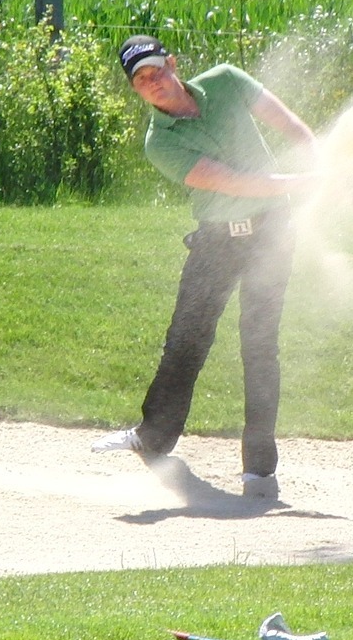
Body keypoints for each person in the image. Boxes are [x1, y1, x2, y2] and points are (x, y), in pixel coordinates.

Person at [93, 35, 318, 500]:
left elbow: (292, 126)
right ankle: (152, 437)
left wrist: (319, 158)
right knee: (185, 342)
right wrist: (305, 181)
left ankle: (259, 470)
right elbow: (234, 183)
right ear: (135, 90)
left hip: (272, 234)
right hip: (215, 241)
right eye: (140, 79)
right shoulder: (160, 143)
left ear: (173, 64)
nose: (152, 82)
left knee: (259, 346)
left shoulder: (227, 81)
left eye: (156, 69)